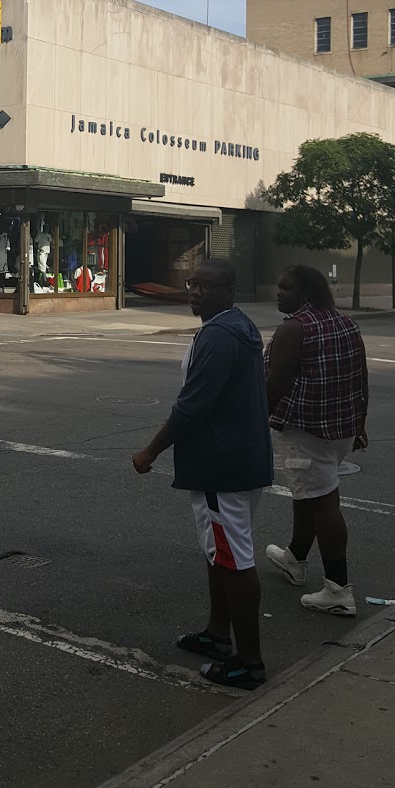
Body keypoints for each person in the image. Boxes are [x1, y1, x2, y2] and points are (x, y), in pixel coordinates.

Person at [132, 259, 274, 689]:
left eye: (207, 286)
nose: (195, 292)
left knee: (235, 559)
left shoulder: (218, 335)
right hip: (241, 457)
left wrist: (150, 451)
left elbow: (193, 407)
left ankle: (248, 662)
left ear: (229, 291)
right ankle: (217, 635)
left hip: (221, 465)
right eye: (193, 284)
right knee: (220, 553)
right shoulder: (239, 325)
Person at [265, 265, 367, 617]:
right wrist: (361, 422)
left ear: (305, 293)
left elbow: (276, 385)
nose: (279, 293)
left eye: (287, 288)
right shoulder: (344, 322)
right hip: (341, 429)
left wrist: (250, 422)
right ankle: (295, 558)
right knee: (308, 493)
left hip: (307, 430)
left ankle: (339, 590)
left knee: (324, 501)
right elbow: (361, 374)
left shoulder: (295, 328)